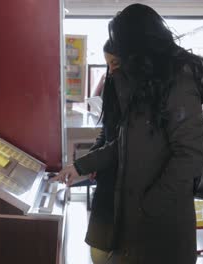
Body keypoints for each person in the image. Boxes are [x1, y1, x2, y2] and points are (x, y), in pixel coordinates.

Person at [53, 3, 203, 264]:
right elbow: (123, 143)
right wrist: (80, 166)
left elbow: (189, 156)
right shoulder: (146, 84)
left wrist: (148, 205)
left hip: (159, 220)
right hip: (134, 216)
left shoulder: (178, 81)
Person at [86, 40, 121, 264]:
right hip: (107, 183)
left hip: (128, 186)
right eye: (108, 64)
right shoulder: (111, 86)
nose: (111, 69)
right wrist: (94, 156)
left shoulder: (146, 94)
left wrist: (87, 163)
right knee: (97, 251)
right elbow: (106, 132)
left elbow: (124, 143)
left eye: (115, 63)